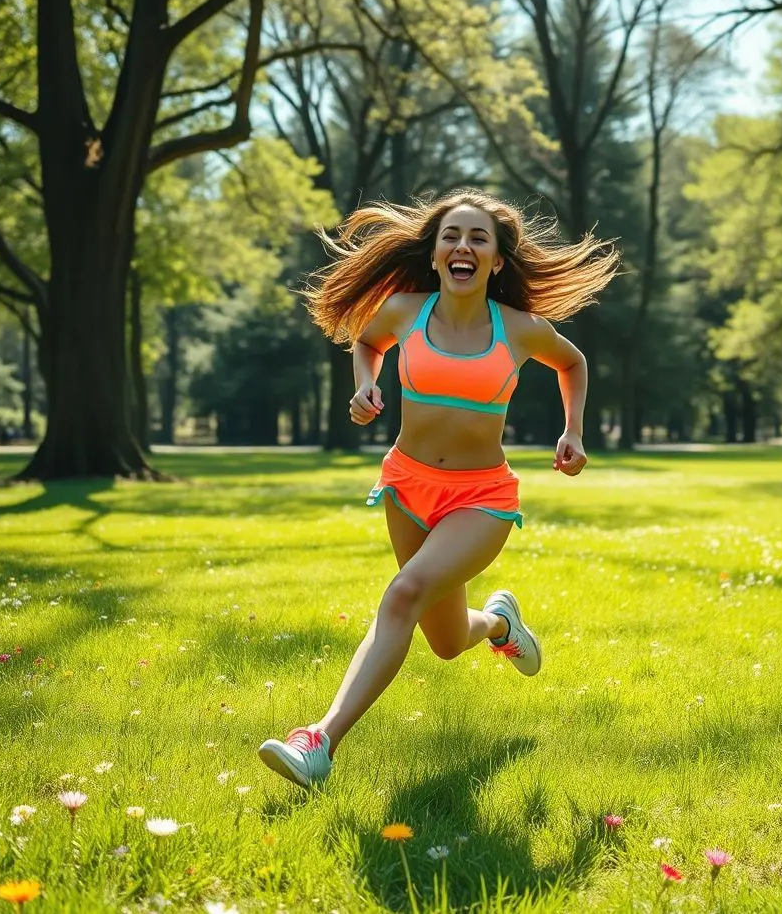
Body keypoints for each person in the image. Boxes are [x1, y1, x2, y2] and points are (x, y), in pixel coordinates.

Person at [258, 190, 618, 789]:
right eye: (452, 236)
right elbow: (367, 344)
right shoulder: (403, 311)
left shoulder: (523, 330)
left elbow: (572, 363)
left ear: (497, 261)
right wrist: (365, 386)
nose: (463, 247)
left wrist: (573, 430)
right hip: (407, 484)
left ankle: (318, 741)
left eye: (479, 239)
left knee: (403, 593)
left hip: (480, 498)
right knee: (448, 640)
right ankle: (500, 626)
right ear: (434, 253)